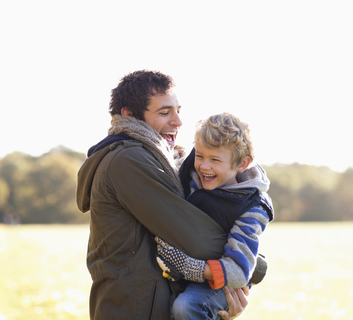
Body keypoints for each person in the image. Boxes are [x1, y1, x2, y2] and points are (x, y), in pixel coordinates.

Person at [76, 70, 249, 320]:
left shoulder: (161, 159)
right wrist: (249, 264)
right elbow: (195, 239)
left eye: (178, 110)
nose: (178, 121)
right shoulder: (128, 160)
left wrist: (213, 302)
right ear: (129, 115)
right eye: (164, 112)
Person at [155, 113, 274, 320]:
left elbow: (238, 271)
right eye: (200, 155)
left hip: (224, 278)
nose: (204, 166)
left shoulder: (253, 207)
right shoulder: (193, 171)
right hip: (197, 264)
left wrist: (188, 267)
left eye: (215, 160)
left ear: (241, 164)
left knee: (187, 306)